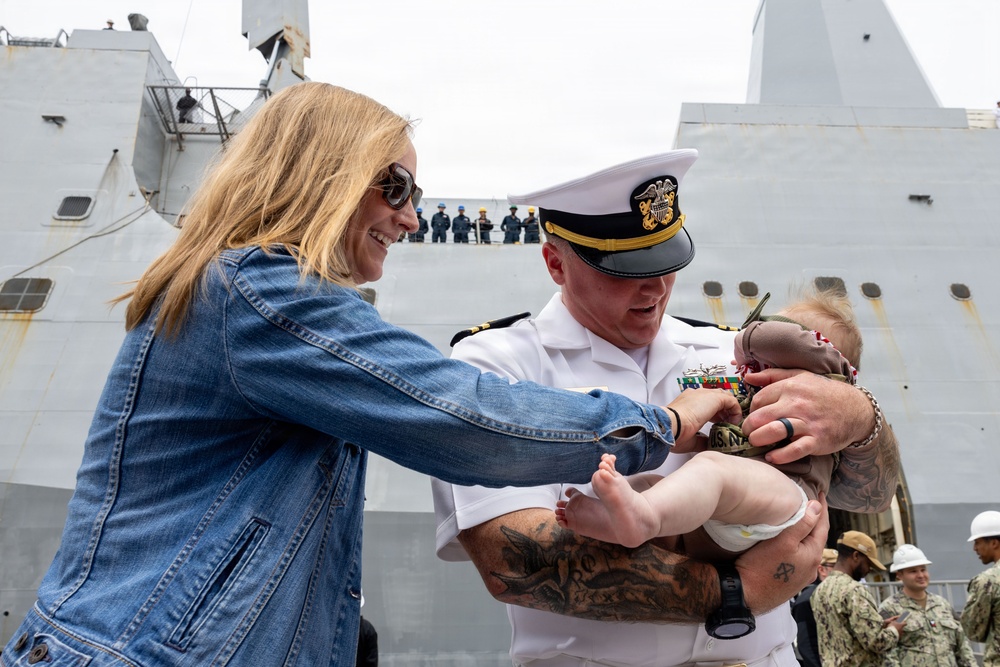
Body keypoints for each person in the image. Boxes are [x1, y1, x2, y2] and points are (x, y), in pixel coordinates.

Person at [0, 83, 706, 667]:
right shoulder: (259, 294)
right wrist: (662, 425)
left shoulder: (242, 294)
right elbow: (459, 415)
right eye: (393, 185)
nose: (410, 216)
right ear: (322, 176)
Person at [432, 150, 900, 667]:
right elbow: (513, 558)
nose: (654, 288)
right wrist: (733, 592)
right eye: (625, 269)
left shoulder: (733, 350)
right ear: (555, 263)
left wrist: (861, 419)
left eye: (666, 263)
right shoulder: (497, 366)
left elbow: (868, 495)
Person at [555, 291, 863, 561]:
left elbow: (778, 339)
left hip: (785, 497)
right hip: (713, 524)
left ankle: (644, 518)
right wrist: (700, 439)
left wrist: (760, 327)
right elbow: (742, 449)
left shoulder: (828, 389)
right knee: (653, 484)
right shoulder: (766, 393)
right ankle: (611, 518)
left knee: (710, 469)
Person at [812, 531, 905, 666]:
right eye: (868, 564)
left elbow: (842, 630)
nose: (869, 570)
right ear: (856, 556)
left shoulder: (820, 590)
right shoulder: (854, 590)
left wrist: (879, 624)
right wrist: (894, 630)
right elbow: (876, 642)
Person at [878, 544, 976, 667]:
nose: (920, 575)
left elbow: (962, 646)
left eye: (923, 569)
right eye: (913, 571)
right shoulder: (890, 610)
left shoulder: (942, 605)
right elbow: (887, 654)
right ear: (899, 575)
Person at [961, 510, 1000, 666]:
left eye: (977, 542)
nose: (975, 548)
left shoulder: (987, 581)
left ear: (994, 543)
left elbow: (973, 631)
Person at [792, 548, 839, 667]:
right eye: (836, 566)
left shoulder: (836, 595)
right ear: (822, 570)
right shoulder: (807, 599)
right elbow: (806, 643)